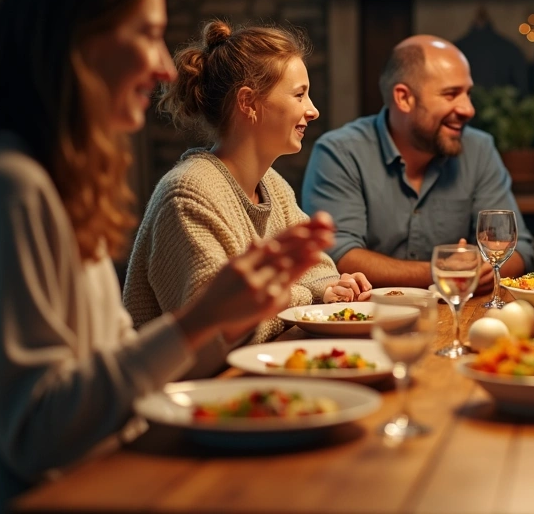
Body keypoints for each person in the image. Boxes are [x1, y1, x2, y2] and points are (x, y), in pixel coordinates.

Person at [0, 0, 333, 513]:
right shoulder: (7, 188)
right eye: (146, 34)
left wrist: (224, 315)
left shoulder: (59, 185)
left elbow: (118, 368)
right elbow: (36, 434)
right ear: (71, 39)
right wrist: (201, 319)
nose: (166, 67)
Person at [124, 20, 370, 376]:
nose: (313, 110)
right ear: (248, 103)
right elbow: (216, 337)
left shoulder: (272, 184)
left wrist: (335, 287)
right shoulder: (188, 194)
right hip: (190, 397)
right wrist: (306, 296)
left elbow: (320, 273)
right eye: (299, 95)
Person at [302, 35, 534, 291]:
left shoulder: (479, 149)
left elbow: (519, 250)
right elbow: (336, 256)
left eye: (468, 93)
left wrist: (483, 269)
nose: (468, 109)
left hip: (456, 311)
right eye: (451, 94)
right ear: (404, 98)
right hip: (369, 314)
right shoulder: (340, 152)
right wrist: (442, 271)